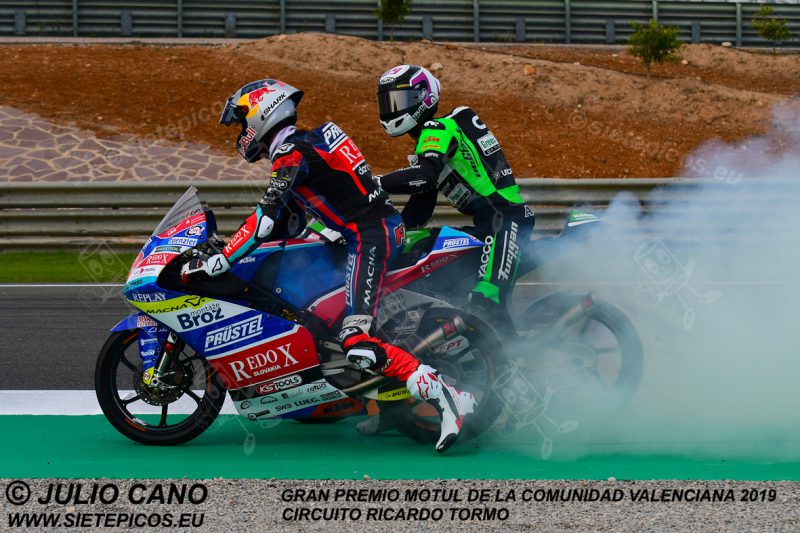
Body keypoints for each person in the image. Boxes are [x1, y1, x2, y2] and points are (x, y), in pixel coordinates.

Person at [181, 78, 475, 452]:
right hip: (366, 232)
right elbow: (287, 220)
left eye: (242, 120)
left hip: (370, 238)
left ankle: (448, 396)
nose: (241, 131)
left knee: (356, 340)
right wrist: (232, 246)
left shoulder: (291, 152)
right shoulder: (307, 143)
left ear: (263, 112)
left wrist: (222, 259)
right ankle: (385, 407)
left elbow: (267, 220)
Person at [375, 65, 535, 325]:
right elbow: (420, 208)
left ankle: (513, 362)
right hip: (486, 224)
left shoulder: (439, 128)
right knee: (419, 247)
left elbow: (424, 177)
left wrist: (374, 182)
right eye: (387, 102)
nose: (392, 108)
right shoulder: (431, 144)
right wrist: (387, 234)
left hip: (505, 222)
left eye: (400, 101)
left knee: (485, 305)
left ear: (423, 98)